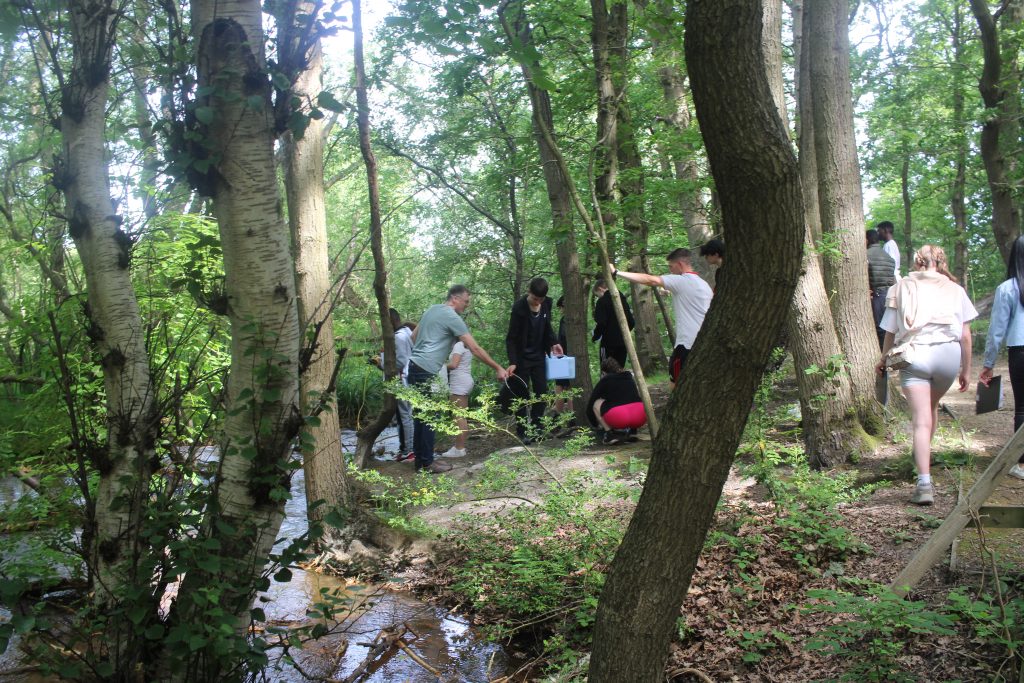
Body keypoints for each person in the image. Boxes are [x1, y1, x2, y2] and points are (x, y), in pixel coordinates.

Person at [874, 245, 977, 505]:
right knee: (930, 408)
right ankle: (923, 457)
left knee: (921, 419)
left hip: (914, 355)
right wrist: (966, 369)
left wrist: (884, 359)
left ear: (918, 262)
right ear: (941, 262)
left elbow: (889, 330)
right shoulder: (956, 289)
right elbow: (965, 336)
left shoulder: (902, 287)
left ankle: (923, 482)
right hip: (947, 357)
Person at [408, 285, 508, 473]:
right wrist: (497, 367)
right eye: (466, 301)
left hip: (413, 366)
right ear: (455, 298)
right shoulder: (452, 317)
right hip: (427, 369)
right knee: (431, 417)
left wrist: (429, 350)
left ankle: (421, 461)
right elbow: (475, 348)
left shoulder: (432, 309)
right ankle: (427, 463)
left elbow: (413, 336)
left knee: (420, 416)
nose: (466, 305)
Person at [615, 248, 713, 388]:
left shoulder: (682, 281)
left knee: (676, 386)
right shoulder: (704, 285)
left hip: (687, 345)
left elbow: (650, 280)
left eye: (671, 266)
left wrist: (617, 272)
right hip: (704, 344)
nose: (670, 270)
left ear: (680, 264)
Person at [980, 235, 1024, 480]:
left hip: (1020, 351)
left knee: (1023, 408)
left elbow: (997, 330)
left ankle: (1022, 464)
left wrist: (988, 364)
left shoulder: (1007, 288)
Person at [505, 277, 564, 442]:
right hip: (521, 358)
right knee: (521, 394)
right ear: (529, 292)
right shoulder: (519, 308)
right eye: (535, 298)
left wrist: (554, 343)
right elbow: (511, 338)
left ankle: (537, 428)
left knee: (541, 392)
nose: (537, 302)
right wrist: (513, 362)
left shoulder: (546, 305)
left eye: (540, 299)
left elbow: (547, 328)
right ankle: (523, 430)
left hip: (539, 356)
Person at [586, 357, 647, 445]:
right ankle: (633, 432)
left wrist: (595, 425)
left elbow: (591, 404)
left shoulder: (605, 380)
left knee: (596, 403)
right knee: (630, 400)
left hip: (619, 417)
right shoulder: (629, 377)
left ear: (604, 372)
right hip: (640, 415)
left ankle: (609, 434)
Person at [592, 277, 635, 367]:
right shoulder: (622, 300)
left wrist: (595, 336)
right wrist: (622, 333)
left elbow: (601, 323)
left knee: (606, 369)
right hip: (623, 342)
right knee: (619, 369)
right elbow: (631, 322)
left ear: (600, 289)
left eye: (597, 295)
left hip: (608, 343)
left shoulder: (602, 302)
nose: (598, 297)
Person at [441, 340, 473, 458]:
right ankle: (460, 447)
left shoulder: (458, 345)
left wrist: (441, 365)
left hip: (459, 382)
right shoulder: (466, 345)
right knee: (461, 415)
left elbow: (454, 365)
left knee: (458, 416)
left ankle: (459, 448)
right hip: (464, 380)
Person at [866, 229, 897, 350]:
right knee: (888, 328)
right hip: (888, 295)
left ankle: (882, 360)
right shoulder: (888, 257)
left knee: (879, 329)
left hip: (876, 296)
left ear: (867, 239)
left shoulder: (866, 255)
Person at [391, 309, 415, 461]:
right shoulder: (408, 332)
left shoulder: (398, 337)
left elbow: (400, 362)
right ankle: (406, 448)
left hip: (403, 379)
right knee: (404, 415)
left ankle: (409, 450)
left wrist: (381, 363)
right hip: (409, 377)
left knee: (405, 415)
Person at [552, 295, 574, 420]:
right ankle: (571, 414)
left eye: (561, 308)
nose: (560, 311)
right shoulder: (568, 319)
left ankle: (558, 413)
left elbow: (562, 339)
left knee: (560, 386)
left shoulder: (565, 320)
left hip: (563, 358)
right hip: (566, 358)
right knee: (569, 387)